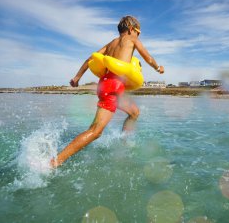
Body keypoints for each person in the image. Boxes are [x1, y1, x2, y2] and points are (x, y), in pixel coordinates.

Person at [50, 16, 164, 168]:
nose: (139, 36)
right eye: (139, 32)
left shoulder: (110, 44)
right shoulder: (132, 40)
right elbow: (148, 58)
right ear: (131, 29)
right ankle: (55, 162)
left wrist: (77, 77)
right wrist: (158, 68)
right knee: (96, 131)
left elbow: (91, 58)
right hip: (113, 86)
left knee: (134, 112)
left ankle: (125, 141)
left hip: (108, 84)